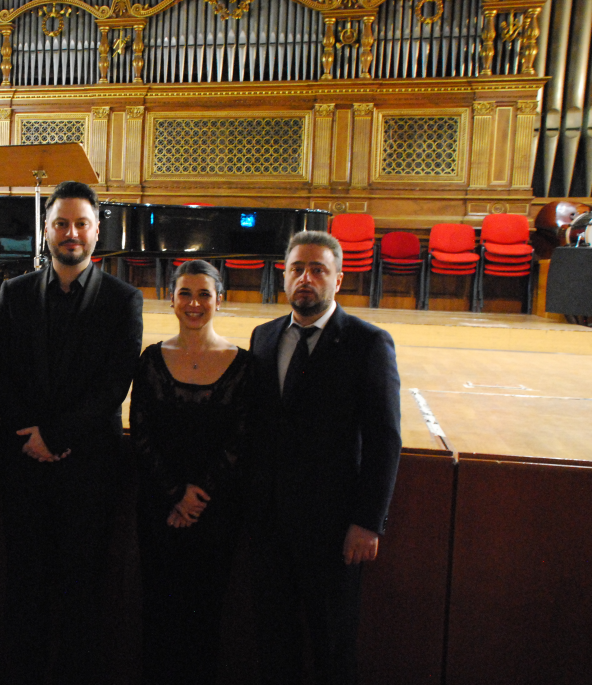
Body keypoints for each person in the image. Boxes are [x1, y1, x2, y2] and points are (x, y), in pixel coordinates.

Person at [0, 180, 144, 685]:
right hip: (24, 466)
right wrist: (28, 435)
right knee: (24, 588)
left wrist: (53, 436)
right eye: (61, 223)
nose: (71, 233)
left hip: (88, 469)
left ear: (96, 232)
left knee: (83, 593)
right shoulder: (14, 292)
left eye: (81, 224)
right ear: (46, 230)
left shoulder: (124, 300)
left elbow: (114, 384)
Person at [247, 230, 401, 685]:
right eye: (297, 269)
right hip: (271, 524)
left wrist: (368, 521)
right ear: (284, 275)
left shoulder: (368, 342)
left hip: (333, 529)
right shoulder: (264, 336)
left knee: (333, 647)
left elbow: (384, 438)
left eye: (318, 270)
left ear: (338, 280)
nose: (306, 279)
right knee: (274, 644)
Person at [129, 260, 251, 685]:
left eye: (204, 294)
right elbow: (141, 434)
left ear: (220, 300)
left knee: (206, 616)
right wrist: (175, 495)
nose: (194, 303)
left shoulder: (244, 365)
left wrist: (197, 497)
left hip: (215, 515)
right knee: (158, 611)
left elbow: (240, 441)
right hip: (159, 511)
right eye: (185, 293)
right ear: (171, 299)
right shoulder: (150, 359)